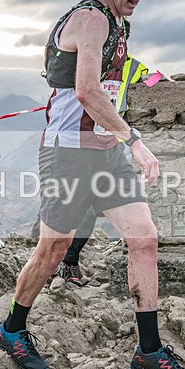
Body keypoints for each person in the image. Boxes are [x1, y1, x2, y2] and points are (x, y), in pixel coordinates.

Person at [0, 0, 185, 369]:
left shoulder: (118, 25)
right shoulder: (90, 19)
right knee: (52, 251)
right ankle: (11, 329)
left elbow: (107, 86)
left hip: (104, 154)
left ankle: (148, 350)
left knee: (144, 240)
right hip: (67, 154)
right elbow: (86, 90)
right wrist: (136, 141)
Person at [47, 55, 150, 286]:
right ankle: (57, 264)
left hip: (108, 148)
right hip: (75, 148)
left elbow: (152, 81)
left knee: (90, 211)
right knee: (77, 210)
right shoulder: (84, 58)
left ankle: (69, 262)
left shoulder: (132, 65)